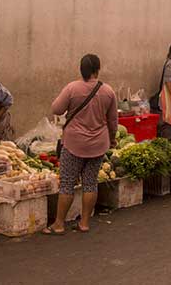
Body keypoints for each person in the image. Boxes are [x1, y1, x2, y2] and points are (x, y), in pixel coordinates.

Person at [44, 54, 118, 235]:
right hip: (98, 144)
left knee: (67, 184)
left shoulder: (72, 88)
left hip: (74, 144)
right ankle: (84, 223)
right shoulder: (108, 91)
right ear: (97, 69)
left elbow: (56, 109)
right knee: (90, 183)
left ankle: (59, 224)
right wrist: (112, 138)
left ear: (81, 69)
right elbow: (113, 121)